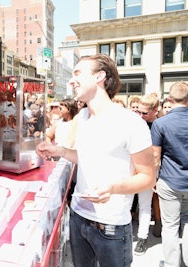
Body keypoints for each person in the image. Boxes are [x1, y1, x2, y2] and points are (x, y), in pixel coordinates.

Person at [36, 54, 156, 267]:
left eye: (78, 73)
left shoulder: (130, 122)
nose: (71, 81)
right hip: (78, 218)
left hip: (111, 227)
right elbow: (86, 158)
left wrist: (113, 188)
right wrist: (60, 150)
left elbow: (148, 178)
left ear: (100, 76)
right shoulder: (82, 118)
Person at [151, 81, 188, 267]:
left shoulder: (160, 123)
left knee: (170, 226)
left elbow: (155, 157)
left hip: (169, 180)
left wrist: (153, 178)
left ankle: (172, 264)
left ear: (170, 99)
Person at [133, 92, 161, 254]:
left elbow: (157, 156)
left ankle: (142, 238)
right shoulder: (136, 123)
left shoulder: (158, 126)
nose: (141, 115)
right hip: (132, 169)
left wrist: (152, 177)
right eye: (138, 111)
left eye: (144, 113)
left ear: (155, 110)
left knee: (144, 206)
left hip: (148, 171)